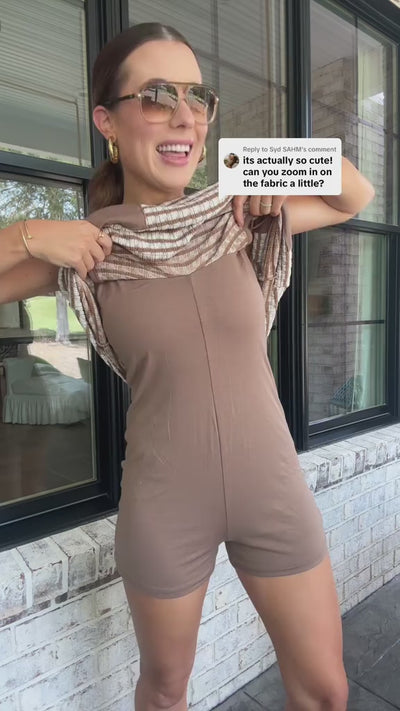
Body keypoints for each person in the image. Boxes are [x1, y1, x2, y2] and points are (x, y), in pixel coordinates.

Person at [0, 22, 375, 711]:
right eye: (156, 95)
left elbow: (354, 194)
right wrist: (28, 233)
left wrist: (259, 164)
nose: (184, 116)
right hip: (166, 500)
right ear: (107, 122)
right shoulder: (92, 249)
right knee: (166, 692)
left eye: (197, 97)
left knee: (327, 692)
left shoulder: (237, 215)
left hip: (273, 486)